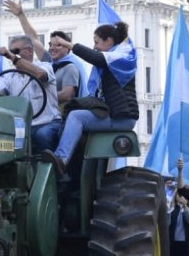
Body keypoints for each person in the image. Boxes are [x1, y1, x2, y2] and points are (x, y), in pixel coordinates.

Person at [42, 22, 139, 175]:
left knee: (76, 117)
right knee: (71, 114)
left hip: (121, 116)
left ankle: (62, 158)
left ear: (109, 41)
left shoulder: (120, 57)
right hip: (112, 113)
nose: (95, 46)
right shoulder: (114, 60)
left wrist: (68, 44)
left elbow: (95, 57)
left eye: (96, 42)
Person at [0, 0, 63, 153]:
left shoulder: (45, 66)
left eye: (15, 51)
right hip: (22, 126)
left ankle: (52, 169)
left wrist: (13, 58)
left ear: (28, 51)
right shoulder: (9, 76)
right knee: (2, 142)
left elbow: (41, 75)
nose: (11, 56)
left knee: (42, 135)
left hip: (48, 123)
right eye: (11, 52)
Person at [48, 31, 82, 107]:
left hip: (62, 116)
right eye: (50, 45)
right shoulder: (50, 66)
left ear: (67, 48)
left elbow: (67, 95)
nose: (52, 48)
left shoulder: (70, 67)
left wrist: (43, 97)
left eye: (58, 45)